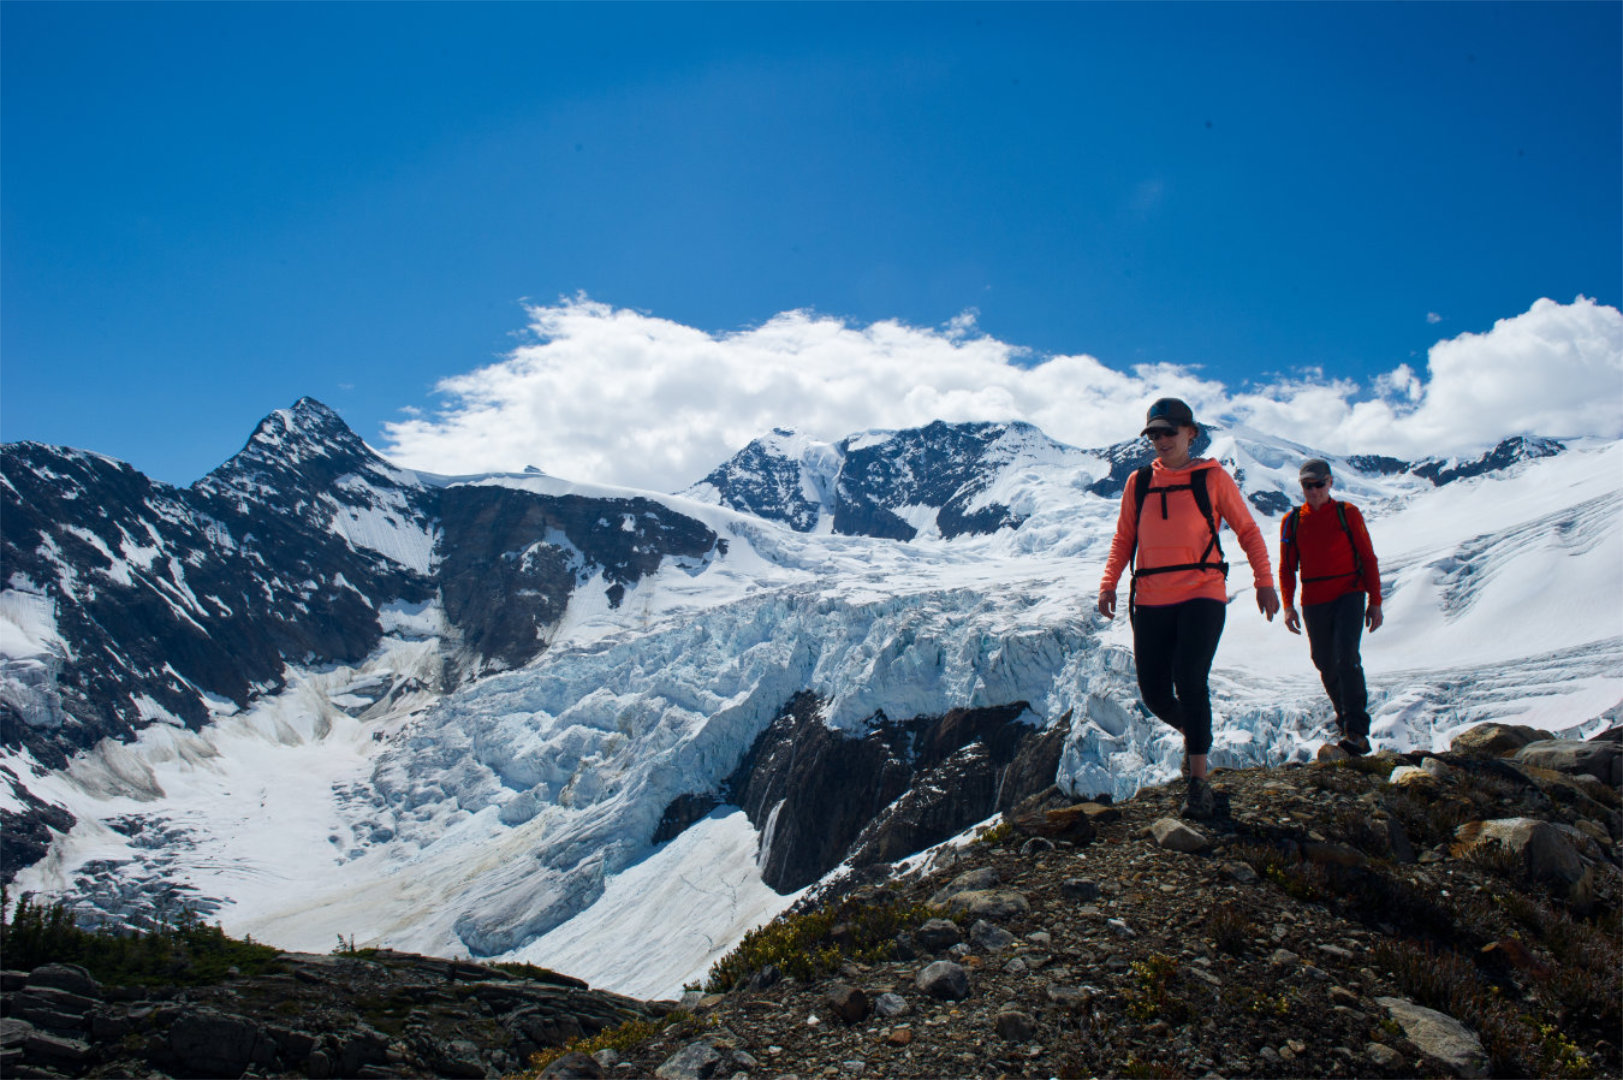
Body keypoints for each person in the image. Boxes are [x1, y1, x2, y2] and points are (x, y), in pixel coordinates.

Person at [1097, 397, 1280, 818]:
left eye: (1169, 432)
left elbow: (1249, 531)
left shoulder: (1212, 477)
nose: (1161, 440)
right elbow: (1124, 538)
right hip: (1151, 597)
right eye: (1154, 434)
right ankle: (1198, 733)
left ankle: (1198, 780)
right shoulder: (1139, 482)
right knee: (1156, 694)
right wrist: (1108, 584)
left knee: (1190, 680)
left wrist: (1264, 581)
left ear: (1190, 433)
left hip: (1202, 591)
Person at [1279, 458, 1383, 755]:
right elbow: (1287, 567)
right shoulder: (1293, 520)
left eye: (1318, 484)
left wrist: (1375, 601)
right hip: (1314, 598)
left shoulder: (1347, 513)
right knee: (1324, 660)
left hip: (1349, 593)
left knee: (1346, 656)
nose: (1313, 491)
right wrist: (1288, 605)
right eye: (1307, 486)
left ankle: (1357, 731)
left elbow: (1368, 558)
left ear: (1330, 483)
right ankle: (1345, 720)